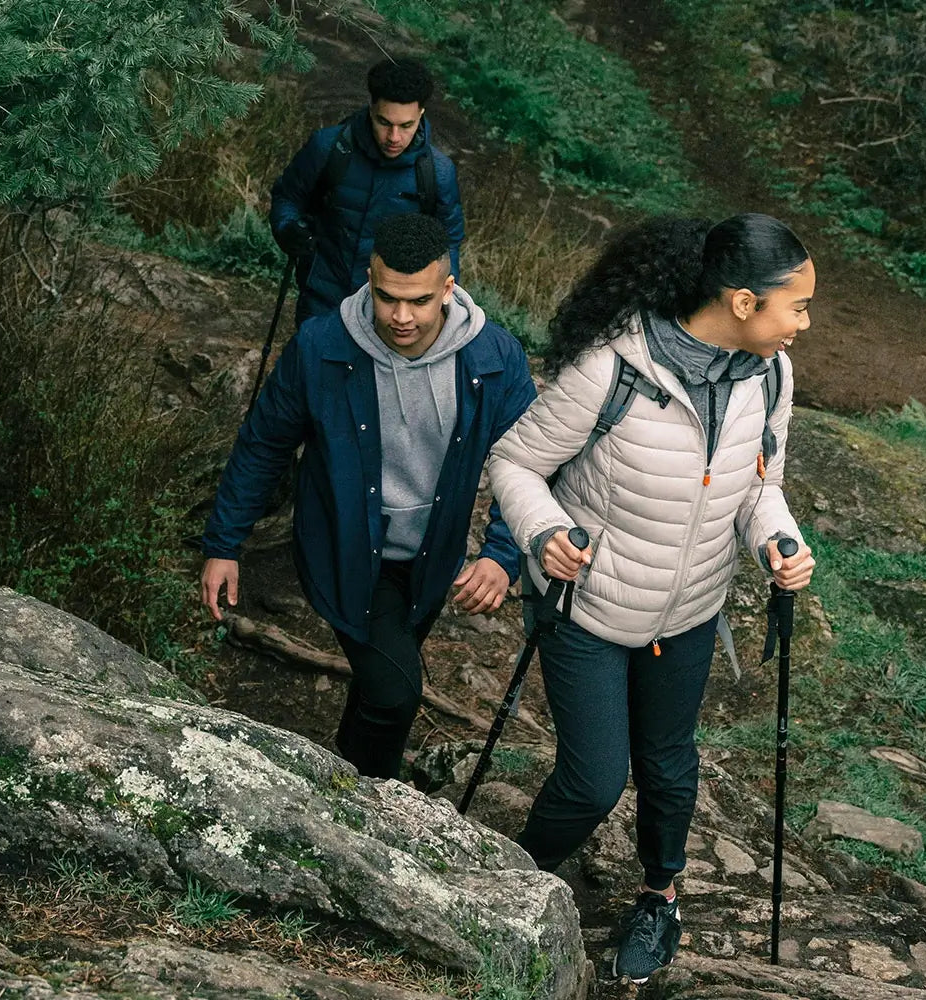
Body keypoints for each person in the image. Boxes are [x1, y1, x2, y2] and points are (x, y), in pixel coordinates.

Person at [486, 213, 818, 984]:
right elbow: (515, 462)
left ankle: (659, 899)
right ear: (742, 302)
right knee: (594, 782)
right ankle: (509, 878)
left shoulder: (769, 376)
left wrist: (778, 540)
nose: (803, 324)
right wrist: (544, 532)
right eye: (797, 307)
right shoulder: (613, 368)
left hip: (689, 613)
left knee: (669, 768)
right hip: (590, 611)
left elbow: (760, 485)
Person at [200, 213, 535, 780]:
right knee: (395, 694)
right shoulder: (321, 346)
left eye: (419, 301)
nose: (401, 317)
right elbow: (264, 444)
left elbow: (529, 459)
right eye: (387, 298)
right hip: (347, 548)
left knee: (380, 683)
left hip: (431, 557)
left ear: (447, 289)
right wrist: (223, 543)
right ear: (369, 279)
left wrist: (503, 555)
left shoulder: (494, 357)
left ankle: (341, 780)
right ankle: (372, 804)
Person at [270, 57, 465, 325]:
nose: (393, 137)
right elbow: (287, 197)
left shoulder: (437, 173)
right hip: (322, 297)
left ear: (421, 114)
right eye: (384, 122)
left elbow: (448, 243)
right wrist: (287, 228)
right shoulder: (328, 148)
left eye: (405, 126)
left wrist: (443, 306)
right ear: (371, 108)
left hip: (390, 311)